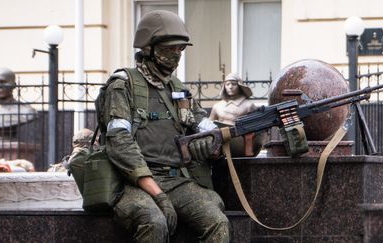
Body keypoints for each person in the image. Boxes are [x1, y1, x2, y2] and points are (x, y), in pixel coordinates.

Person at [100, 10, 229, 242]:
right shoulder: (122, 85)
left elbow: (204, 123)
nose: (177, 55)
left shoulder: (177, 88)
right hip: (131, 184)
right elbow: (119, 142)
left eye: (180, 49)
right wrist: (158, 195)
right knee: (154, 222)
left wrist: (214, 140)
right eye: (170, 48)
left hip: (176, 180)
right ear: (149, 48)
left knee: (217, 221)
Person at [210, 72, 263, 157]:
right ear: (224, 86)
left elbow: (258, 129)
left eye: (233, 84)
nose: (230, 87)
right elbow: (209, 126)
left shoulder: (248, 105)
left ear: (240, 86)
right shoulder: (217, 106)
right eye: (227, 84)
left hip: (240, 146)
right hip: (219, 147)